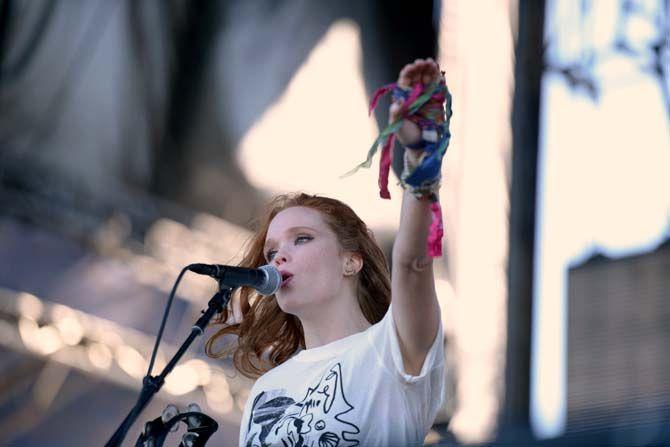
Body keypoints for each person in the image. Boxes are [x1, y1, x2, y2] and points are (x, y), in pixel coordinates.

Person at [206, 58, 449, 447]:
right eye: (271, 252)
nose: (279, 257)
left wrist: (421, 160)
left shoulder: (391, 350)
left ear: (351, 260)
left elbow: (413, 263)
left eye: (302, 239)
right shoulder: (266, 391)